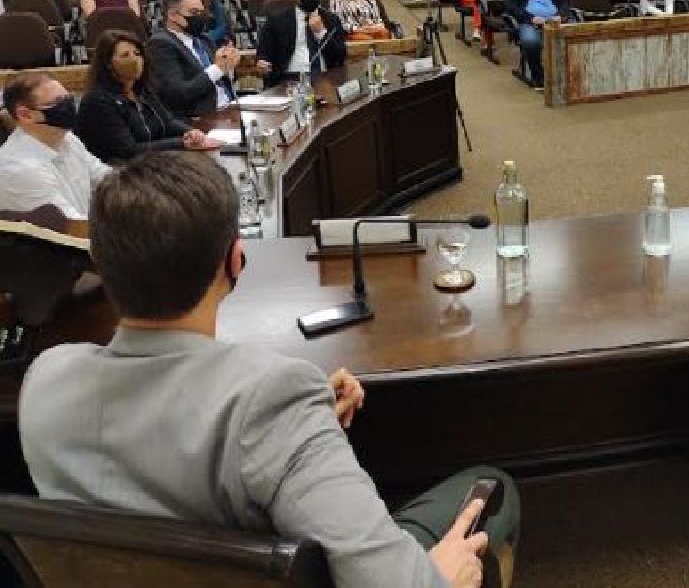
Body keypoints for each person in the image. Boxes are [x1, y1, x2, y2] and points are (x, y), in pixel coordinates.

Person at [19, 151, 520, 588]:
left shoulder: (45, 379)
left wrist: (302, 420)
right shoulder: (275, 398)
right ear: (235, 260)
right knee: (493, 487)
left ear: (101, 267)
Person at [76, 30, 219, 163]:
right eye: (125, 55)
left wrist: (190, 132)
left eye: (137, 53)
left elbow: (167, 122)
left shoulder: (142, 90)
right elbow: (128, 150)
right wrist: (182, 143)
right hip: (121, 173)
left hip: (153, 163)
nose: (135, 59)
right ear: (108, 63)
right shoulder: (97, 101)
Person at [0, 72, 109, 219]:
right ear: (25, 115)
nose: (69, 106)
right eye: (58, 102)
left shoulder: (67, 139)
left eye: (68, 98)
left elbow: (107, 179)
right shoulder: (18, 168)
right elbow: (71, 228)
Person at [148, 0, 239, 118]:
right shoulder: (160, 44)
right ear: (173, 15)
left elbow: (224, 80)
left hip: (230, 108)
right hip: (199, 118)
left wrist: (229, 66)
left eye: (202, 13)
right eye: (194, 13)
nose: (200, 18)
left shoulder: (204, 39)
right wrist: (218, 68)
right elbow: (179, 94)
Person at [255, 0, 348, 88]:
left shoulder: (331, 19)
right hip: (289, 78)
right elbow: (263, 53)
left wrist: (321, 32)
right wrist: (262, 63)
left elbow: (340, 55)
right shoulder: (277, 20)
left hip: (324, 76)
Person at [505, 0, 569, 90]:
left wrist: (562, 14)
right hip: (530, 20)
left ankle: (566, 75)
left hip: (555, 18)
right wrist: (530, 18)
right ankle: (538, 77)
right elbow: (510, 5)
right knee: (531, 41)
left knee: (574, 36)